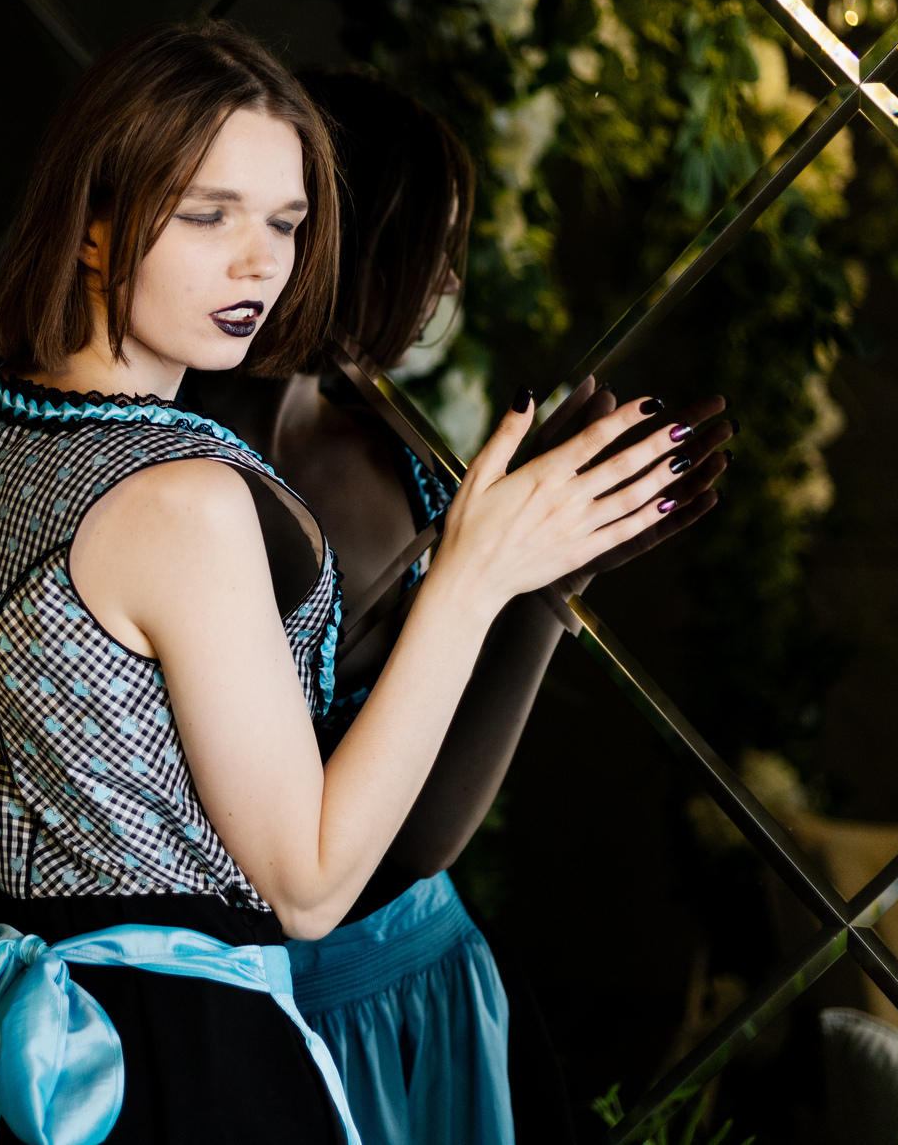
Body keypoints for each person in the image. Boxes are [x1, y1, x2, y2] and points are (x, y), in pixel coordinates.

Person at [0, 21, 701, 1144]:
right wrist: (473, 579)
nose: (259, 263)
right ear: (92, 226)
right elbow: (310, 887)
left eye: (285, 222)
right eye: (208, 214)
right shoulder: (186, 502)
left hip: (13, 1061)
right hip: (190, 1072)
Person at [182, 70, 732, 1144]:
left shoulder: (376, 430)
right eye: (428, 243)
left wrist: (545, 569)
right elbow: (406, 843)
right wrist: (532, 589)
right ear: (346, 239)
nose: (446, 279)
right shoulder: (186, 480)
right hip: (312, 1018)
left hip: (423, 975)